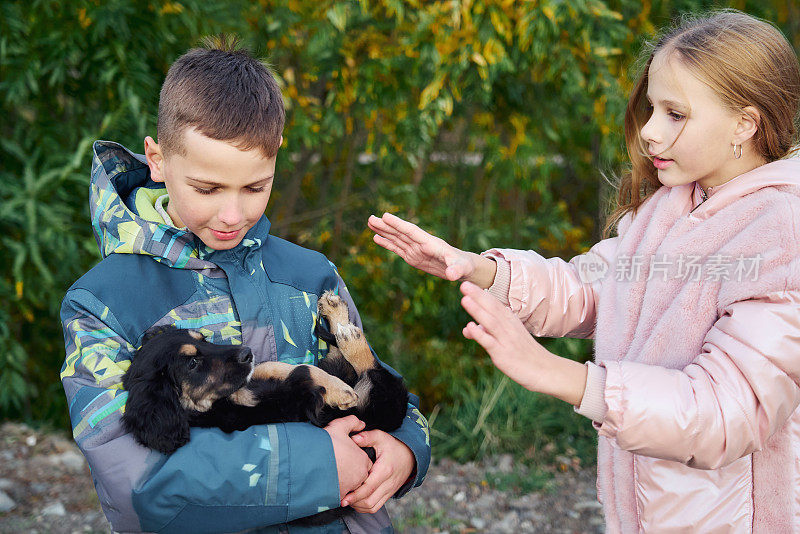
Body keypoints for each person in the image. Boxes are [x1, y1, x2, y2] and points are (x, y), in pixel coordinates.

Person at [368, 10, 800, 532]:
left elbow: (726, 412)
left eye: (675, 115)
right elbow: (589, 287)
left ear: (745, 123)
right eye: (652, 109)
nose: (649, 133)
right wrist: (478, 268)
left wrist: (564, 377)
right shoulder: (668, 209)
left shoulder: (779, 230)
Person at [60, 37, 430, 534]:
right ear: (157, 160)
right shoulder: (102, 303)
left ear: (276, 156)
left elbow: (372, 379)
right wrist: (319, 465)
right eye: (207, 189)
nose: (233, 215)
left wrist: (405, 448)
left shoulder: (309, 274)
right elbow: (133, 480)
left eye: (256, 187)